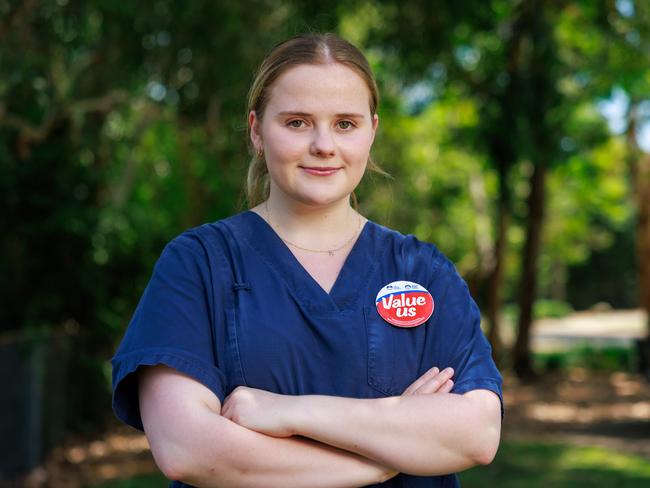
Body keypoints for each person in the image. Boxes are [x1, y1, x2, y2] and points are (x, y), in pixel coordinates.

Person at [111, 33, 503, 487]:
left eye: (345, 124)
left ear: (372, 131)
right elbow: (188, 449)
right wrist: (385, 459)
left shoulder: (423, 271)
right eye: (297, 122)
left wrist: (287, 412)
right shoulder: (199, 264)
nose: (323, 144)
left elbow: (477, 434)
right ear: (257, 130)